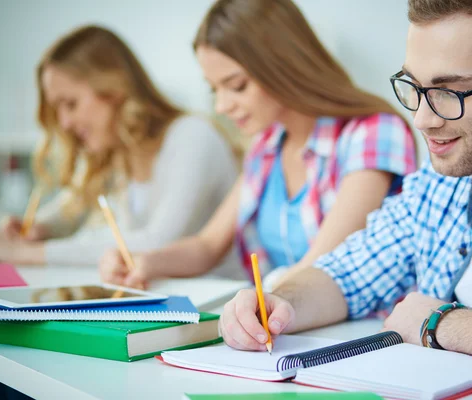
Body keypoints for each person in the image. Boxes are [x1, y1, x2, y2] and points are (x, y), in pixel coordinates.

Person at [217, 0, 472, 386]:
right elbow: (347, 275)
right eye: (414, 87)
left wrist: (441, 323)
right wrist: (278, 303)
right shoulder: (441, 180)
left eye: (450, 92)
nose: (422, 119)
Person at [98, 0, 416, 288]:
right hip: (287, 323)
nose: (221, 106)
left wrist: (260, 300)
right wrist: (145, 261)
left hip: (363, 333)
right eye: (214, 90)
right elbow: (207, 246)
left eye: (236, 86)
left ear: (283, 65)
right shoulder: (266, 146)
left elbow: (321, 266)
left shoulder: (374, 133)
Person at [0, 25, 239, 268]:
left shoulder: (192, 136)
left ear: (113, 89)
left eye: (71, 104)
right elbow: (70, 209)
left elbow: (158, 242)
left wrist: (26, 253)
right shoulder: (117, 150)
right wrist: (38, 228)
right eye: (57, 109)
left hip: (219, 304)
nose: (64, 122)